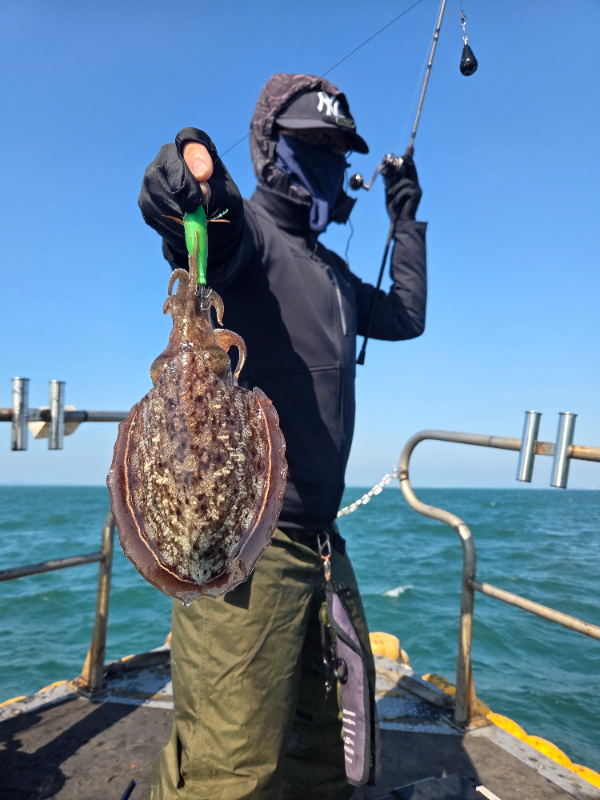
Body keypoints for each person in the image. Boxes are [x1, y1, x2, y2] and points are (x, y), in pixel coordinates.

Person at [139, 73, 427, 800]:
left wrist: (406, 219)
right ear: (271, 146)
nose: (328, 159)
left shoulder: (335, 273)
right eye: (312, 143)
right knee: (228, 775)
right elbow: (213, 226)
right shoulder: (253, 240)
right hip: (245, 555)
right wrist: (193, 183)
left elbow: (406, 316)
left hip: (324, 549)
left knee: (327, 756)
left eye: (338, 148)